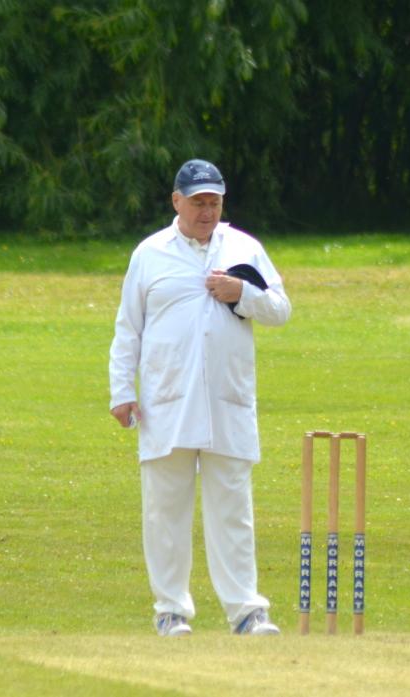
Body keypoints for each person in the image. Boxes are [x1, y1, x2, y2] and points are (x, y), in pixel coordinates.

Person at [108, 159, 291, 637]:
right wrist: (122, 391)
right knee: (165, 510)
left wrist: (242, 293)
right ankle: (171, 611)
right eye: (198, 203)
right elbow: (129, 328)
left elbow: (280, 309)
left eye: (214, 202)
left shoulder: (244, 247)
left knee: (233, 509)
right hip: (166, 401)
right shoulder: (150, 253)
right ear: (177, 202)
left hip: (227, 400)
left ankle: (247, 611)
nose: (207, 211)